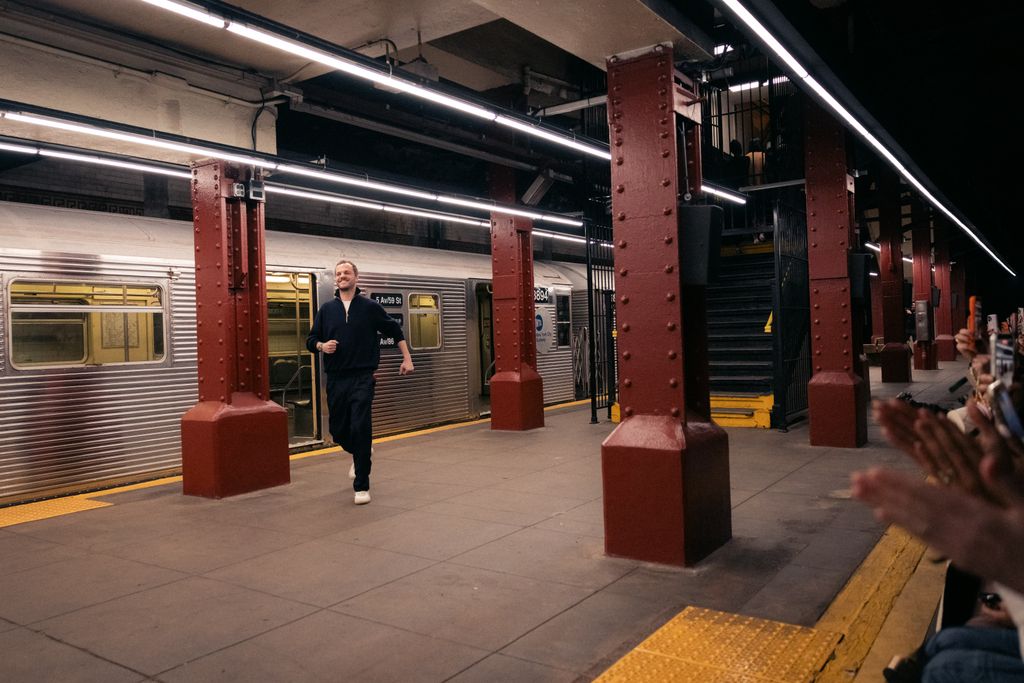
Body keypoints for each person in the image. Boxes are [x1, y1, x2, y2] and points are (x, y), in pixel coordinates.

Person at [307, 259, 414, 505]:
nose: (342, 276)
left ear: (356, 277)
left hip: (363, 377)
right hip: (335, 379)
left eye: (346, 272)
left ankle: (362, 486)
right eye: (338, 273)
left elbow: (396, 332)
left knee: (360, 427)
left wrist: (407, 359)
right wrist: (322, 345)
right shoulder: (326, 309)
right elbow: (311, 339)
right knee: (338, 431)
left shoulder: (369, 307)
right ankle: (359, 453)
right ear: (335, 279)